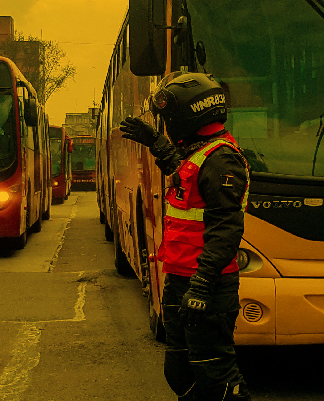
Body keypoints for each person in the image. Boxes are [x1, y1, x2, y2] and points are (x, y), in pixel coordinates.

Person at [119, 72, 252, 401]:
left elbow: (226, 229)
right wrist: (155, 142)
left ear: (189, 115)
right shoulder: (202, 153)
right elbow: (183, 175)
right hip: (180, 278)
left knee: (215, 375)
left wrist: (203, 285)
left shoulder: (223, 160)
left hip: (206, 284)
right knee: (179, 373)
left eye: (168, 118)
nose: (167, 124)